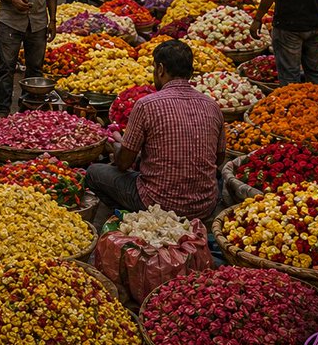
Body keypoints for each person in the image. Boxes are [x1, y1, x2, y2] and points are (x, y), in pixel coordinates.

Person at [85, 40, 224, 222]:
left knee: (94, 173)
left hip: (158, 203)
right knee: (219, 179)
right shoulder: (212, 106)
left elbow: (124, 164)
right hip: (204, 206)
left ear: (160, 69)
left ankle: (134, 218)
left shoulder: (147, 104)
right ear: (190, 72)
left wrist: (117, 149)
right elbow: (219, 159)